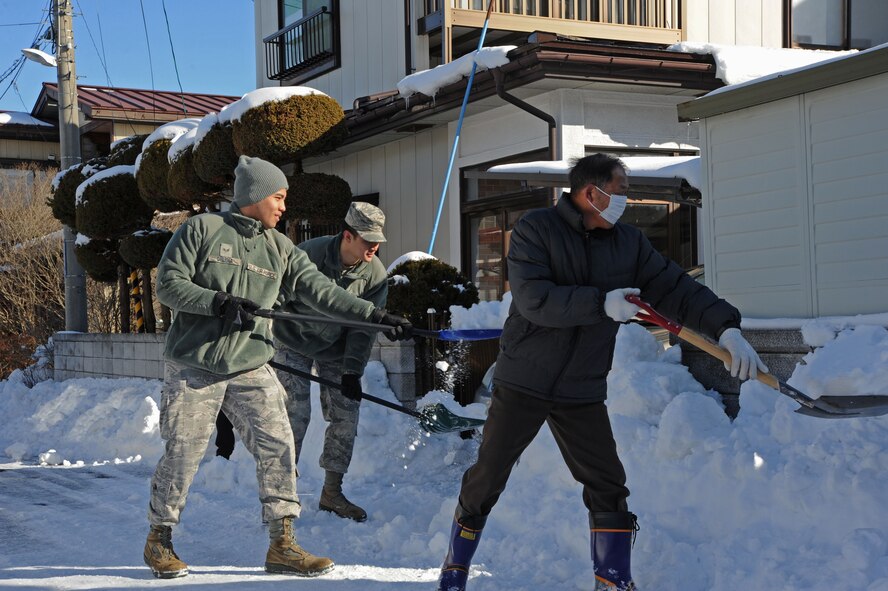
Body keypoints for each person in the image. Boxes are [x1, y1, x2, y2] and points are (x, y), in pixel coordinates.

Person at [436, 153, 768, 591]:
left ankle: (612, 579)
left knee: (608, 483)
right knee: (489, 475)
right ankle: (456, 567)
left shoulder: (627, 243)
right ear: (592, 193)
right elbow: (535, 299)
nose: (625, 201)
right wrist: (601, 303)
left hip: (581, 386)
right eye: (622, 191)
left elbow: (674, 287)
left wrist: (726, 328)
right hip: (525, 380)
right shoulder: (537, 230)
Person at [143, 155, 412, 580]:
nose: (284, 206)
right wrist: (217, 302)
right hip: (194, 363)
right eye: (279, 196)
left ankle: (282, 544)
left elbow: (320, 290)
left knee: (279, 443)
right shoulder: (202, 229)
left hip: (250, 361)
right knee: (184, 451)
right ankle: (159, 538)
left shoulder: (281, 248)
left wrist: (372, 315)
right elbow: (169, 284)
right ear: (254, 195)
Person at [273, 202, 389, 523]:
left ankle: (331, 493)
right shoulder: (308, 254)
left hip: (336, 348)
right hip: (292, 338)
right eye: (368, 240)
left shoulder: (375, 275)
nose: (374, 246)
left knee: (346, 414)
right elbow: (276, 296)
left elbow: (363, 331)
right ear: (348, 236)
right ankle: (281, 493)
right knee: (295, 414)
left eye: (378, 240)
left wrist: (353, 370)